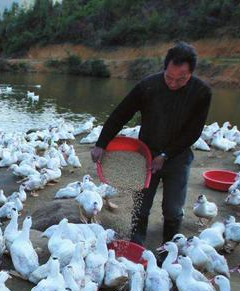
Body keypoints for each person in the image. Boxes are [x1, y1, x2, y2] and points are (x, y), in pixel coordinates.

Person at [90, 42, 212, 246]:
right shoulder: (148, 86)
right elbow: (120, 114)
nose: (173, 83)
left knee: (173, 209)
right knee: (141, 206)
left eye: (180, 79)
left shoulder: (201, 92)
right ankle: (137, 246)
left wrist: (166, 155)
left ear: (191, 73)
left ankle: (169, 248)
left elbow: (194, 132)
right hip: (146, 154)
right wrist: (101, 143)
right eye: (169, 77)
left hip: (178, 156)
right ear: (164, 68)